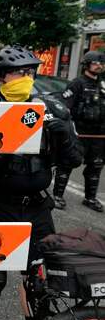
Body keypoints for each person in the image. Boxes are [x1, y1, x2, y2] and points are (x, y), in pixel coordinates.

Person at [0, 46, 82, 320]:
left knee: (38, 277)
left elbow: (73, 160)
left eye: (29, 73)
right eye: (17, 73)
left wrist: (63, 136)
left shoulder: (50, 109)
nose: (24, 78)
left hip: (36, 207)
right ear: (0, 77)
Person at [53, 50, 105, 211]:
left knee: (96, 166)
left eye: (102, 63)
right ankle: (57, 196)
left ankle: (90, 198)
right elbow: (64, 106)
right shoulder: (77, 83)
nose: (99, 66)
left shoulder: (103, 85)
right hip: (79, 133)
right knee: (67, 164)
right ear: (87, 65)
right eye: (96, 63)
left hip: (99, 136)